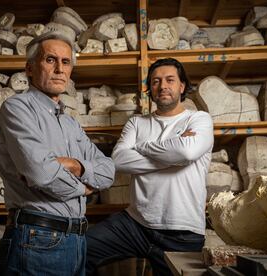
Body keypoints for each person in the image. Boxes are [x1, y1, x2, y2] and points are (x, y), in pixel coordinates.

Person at [0, 32, 115, 275]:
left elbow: (108, 170)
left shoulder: (70, 123)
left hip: (76, 241)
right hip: (37, 240)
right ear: (29, 68)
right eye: (50, 60)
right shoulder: (17, 108)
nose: (59, 69)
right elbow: (40, 173)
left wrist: (74, 166)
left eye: (66, 62)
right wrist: (84, 188)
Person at [86, 58, 214, 275]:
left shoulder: (199, 119)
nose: (162, 86)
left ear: (182, 86)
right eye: (156, 81)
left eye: (170, 80)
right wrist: (173, 156)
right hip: (136, 223)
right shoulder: (137, 122)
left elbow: (187, 152)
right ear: (150, 88)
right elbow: (119, 160)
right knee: (80, 249)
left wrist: (142, 146)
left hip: (182, 231)